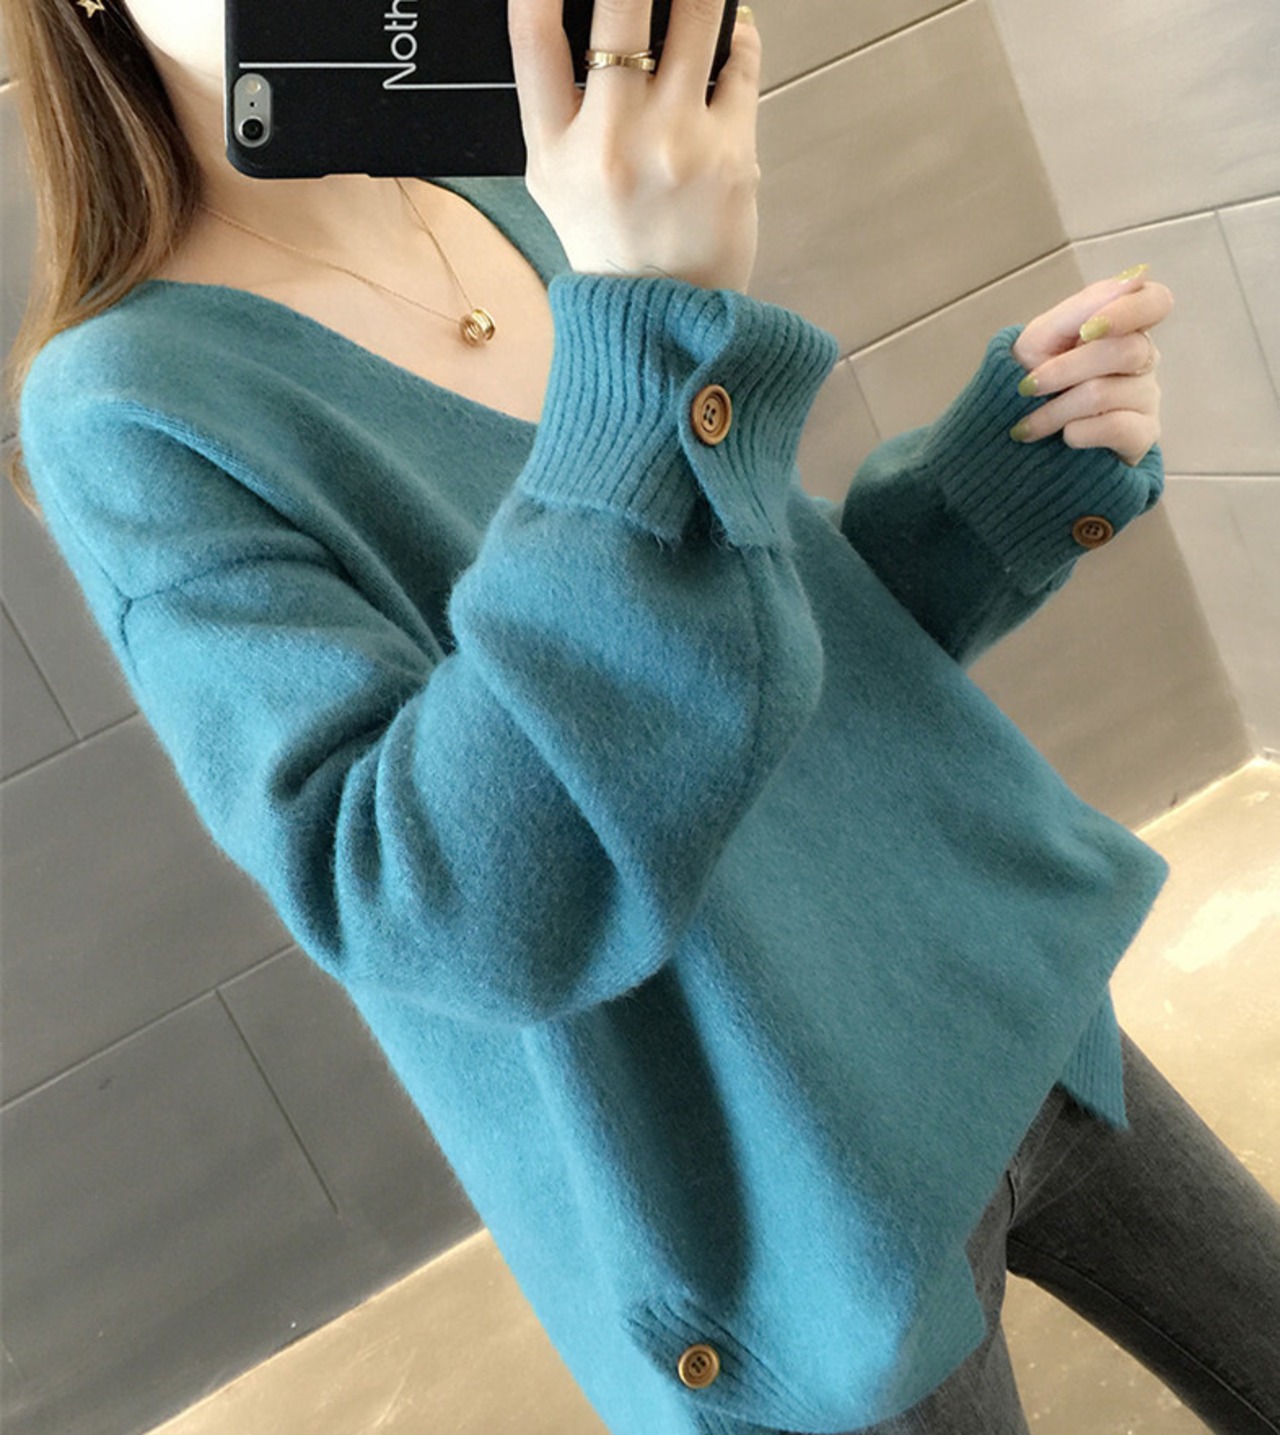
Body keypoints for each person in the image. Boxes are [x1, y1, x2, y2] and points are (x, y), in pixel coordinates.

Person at [5, 1, 1278, 1431]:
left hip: (984, 983)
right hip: (784, 1192)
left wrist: (990, 485)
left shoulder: (525, 189)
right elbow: (440, 901)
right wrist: (638, 319)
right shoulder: (128, 403)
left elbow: (751, 634)